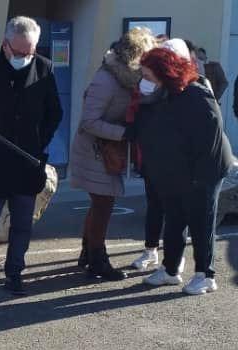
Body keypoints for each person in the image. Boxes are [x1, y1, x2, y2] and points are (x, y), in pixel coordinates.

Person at [131, 47, 234, 294]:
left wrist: (198, 180)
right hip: (175, 170)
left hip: (204, 170)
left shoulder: (196, 95)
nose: (144, 80)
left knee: (202, 219)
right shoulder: (162, 94)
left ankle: (206, 275)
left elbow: (210, 142)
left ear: (164, 73)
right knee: (174, 217)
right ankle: (170, 270)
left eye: (147, 75)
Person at [0, 16, 63, 295]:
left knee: (22, 225)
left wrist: (38, 143)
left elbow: (54, 112)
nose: (25, 56)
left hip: (28, 163)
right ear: (5, 44)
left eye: (30, 51)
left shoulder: (44, 67)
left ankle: (14, 273)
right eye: (20, 51)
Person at [70, 27, 155, 280]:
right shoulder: (107, 79)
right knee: (104, 204)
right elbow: (88, 121)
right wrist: (125, 133)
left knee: (100, 204)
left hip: (103, 149)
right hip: (95, 150)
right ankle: (98, 260)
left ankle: (88, 253)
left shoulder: (125, 77)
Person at [130, 39, 202, 273]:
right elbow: (136, 119)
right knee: (155, 205)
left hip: (179, 165)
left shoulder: (189, 92)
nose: (145, 80)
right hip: (151, 159)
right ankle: (152, 250)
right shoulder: (148, 90)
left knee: (177, 213)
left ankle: (178, 262)